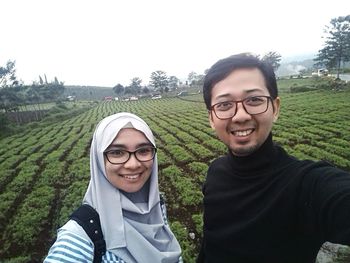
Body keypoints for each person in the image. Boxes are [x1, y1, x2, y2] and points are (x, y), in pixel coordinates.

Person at [197, 53, 350, 263]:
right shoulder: (215, 172)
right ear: (211, 119)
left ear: (275, 108)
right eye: (224, 105)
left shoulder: (307, 184)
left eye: (254, 100)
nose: (241, 115)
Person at [44, 112, 182, 263]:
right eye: (117, 152)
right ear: (98, 158)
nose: (133, 164)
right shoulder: (78, 238)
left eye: (143, 150)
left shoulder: (156, 206)